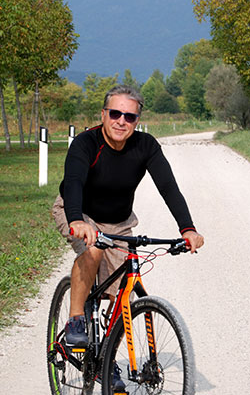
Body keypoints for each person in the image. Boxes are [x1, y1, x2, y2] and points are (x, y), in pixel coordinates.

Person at [52, 85, 204, 351]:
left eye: (129, 116)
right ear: (103, 114)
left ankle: (107, 359)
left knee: (123, 294)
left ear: (137, 120)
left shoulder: (146, 146)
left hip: (119, 223)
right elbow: (74, 181)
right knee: (93, 251)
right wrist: (76, 220)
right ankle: (76, 319)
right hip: (77, 210)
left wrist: (187, 228)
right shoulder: (86, 143)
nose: (121, 121)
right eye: (115, 113)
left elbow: (168, 187)